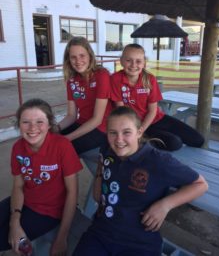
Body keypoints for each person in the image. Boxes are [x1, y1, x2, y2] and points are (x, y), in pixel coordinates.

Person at [73, 106, 208, 256]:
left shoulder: (158, 160)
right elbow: (97, 196)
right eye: (113, 133)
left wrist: (165, 205)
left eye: (127, 132)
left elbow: (200, 184)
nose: (119, 140)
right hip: (101, 233)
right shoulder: (107, 149)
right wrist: (100, 173)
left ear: (139, 132)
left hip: (138, 242)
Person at [0, 99, 83, 256]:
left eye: (40, 122)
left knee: (5, 240)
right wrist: (14, 220)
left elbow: (72, 192)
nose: (32, 128)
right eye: (26, 122)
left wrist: (62, 238)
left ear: (49, 124)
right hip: (25, 201)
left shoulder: (62, 146)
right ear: (19, 125)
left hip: (49, 211)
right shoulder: (18, 147)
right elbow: (18, 186)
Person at [110, 43, 204, 151]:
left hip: (155, 119)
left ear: (144, 62)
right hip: (133, 124)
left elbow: (152, 111)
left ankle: (145, 137)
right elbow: (122, 112)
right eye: (128, 60)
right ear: (121, 61)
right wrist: (137, 131)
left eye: (138, 61)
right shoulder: (115, 79)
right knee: (175, 143)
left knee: (198, 140)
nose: (133, 65)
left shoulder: (150, 79)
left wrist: (141, 130)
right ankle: (146, 139)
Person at [58, 36, 112, 155]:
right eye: (73, 57)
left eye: (82, 55)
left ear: (90, 56)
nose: (78, 61)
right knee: (46, 139)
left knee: (60, 149)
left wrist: (67, 138)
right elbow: (71, 116)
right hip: (81, 123)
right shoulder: (71, 80)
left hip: (101, 129)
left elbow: (97, 120)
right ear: (68, 60)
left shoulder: (101, 75)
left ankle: (69, 174)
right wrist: (54, 128)